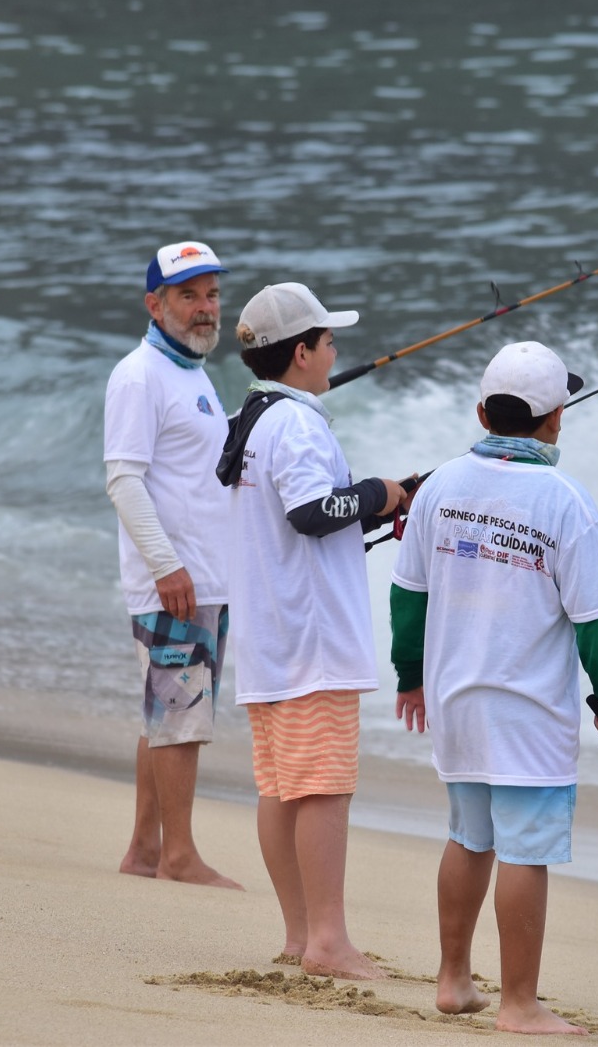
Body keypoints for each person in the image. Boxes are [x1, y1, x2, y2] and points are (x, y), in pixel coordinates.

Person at [389, 340, 598, 1035]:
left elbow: (408, 596)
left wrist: (410, 676)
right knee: (525, 848)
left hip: (455, 698)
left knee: (469, 836)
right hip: (527, 709)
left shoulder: (438, 485)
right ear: (555, 419)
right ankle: (519, 1004)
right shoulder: (565, 501)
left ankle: (452, 979)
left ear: (482, 411)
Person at [215, 281, 411, 980]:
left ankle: (302, 936)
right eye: (328, 340)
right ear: (302, 352)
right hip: (311, 640)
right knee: (322, 787)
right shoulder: (297, 425)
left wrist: (374, 507)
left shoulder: (253, 419)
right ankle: (328, 940)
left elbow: (297, 520)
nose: (335, 350)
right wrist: (380, 493)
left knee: (282, 787)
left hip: (271, 637)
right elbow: (308, 510)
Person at [104, 240, 240, 890]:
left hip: (203, 577)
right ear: (155, 303)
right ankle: (180, 855)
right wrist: (167, 567)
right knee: (182, 719)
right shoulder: (140, 374)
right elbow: (124, 481)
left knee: (165, 714)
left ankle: (144, 849)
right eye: (189, 295)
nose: (204, 307)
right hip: (175, 583)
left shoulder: (192, 371)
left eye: (211, 294)